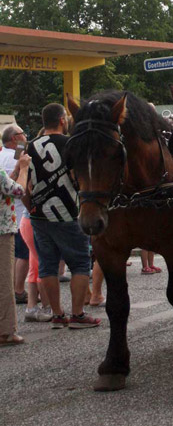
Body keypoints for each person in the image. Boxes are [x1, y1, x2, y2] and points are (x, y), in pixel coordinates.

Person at [26, 103, 101, 330]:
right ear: (61, 120)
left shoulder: (31, 146)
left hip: (39, 216)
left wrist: (31, 207)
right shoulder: (71, 144)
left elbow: (25, 183)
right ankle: (77, 315)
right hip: (68, 213)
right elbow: (78, 177)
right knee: (79, 263)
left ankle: (57, 314)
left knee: (47, 266)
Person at [0, 152, 31, 345]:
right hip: (2, 231)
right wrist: (25, 168)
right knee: (4, 282)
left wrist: (16, 170)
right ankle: (6, 331)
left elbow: (5, 187)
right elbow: (18, 191)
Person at [0, 124, 30, 304]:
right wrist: (23, 168)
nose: (25, 137)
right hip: (15, 215)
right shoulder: (17, 158)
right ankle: (17, 290)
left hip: (8, 216)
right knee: (23, 255)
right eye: (22, 134)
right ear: (14, 139)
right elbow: (19, 189)